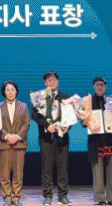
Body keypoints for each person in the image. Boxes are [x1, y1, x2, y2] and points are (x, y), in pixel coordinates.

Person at [32, 71, 72, 206]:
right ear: (45, 83)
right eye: (49, 80)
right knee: (47, 168)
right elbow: (35, 115)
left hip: (62, 137)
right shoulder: (40, 97)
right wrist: (46, 125)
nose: (52, 82)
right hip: (46, 137)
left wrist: (67, 127)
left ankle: (63, 196)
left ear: (58, 81)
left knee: (63, 167)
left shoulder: (65, 97)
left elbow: (70, 116)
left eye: (54, 79)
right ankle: (48, 196)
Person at [81, 77, 112, 206]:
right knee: (97, 171)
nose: (99, 87)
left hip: (110, 140)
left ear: (106, 86)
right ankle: (100, 198)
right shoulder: (88, 102)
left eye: (102, 84)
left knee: (111, 170)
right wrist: (85, 122)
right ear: (93, 86)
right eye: (97, 85)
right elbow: (84, 123)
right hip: (95, 140)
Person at [0, 80, 30, 206]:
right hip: (4, 144)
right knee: (4, 174)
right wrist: (6, 136)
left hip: (19, 144)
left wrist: (17, 137)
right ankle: (7, 198)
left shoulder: (24, 106)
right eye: (7, 90)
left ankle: (16, 198)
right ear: (4, 92)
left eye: (12, 90)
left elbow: (26, 123)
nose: (10, 92)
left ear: (16, 91)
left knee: (18, 173)